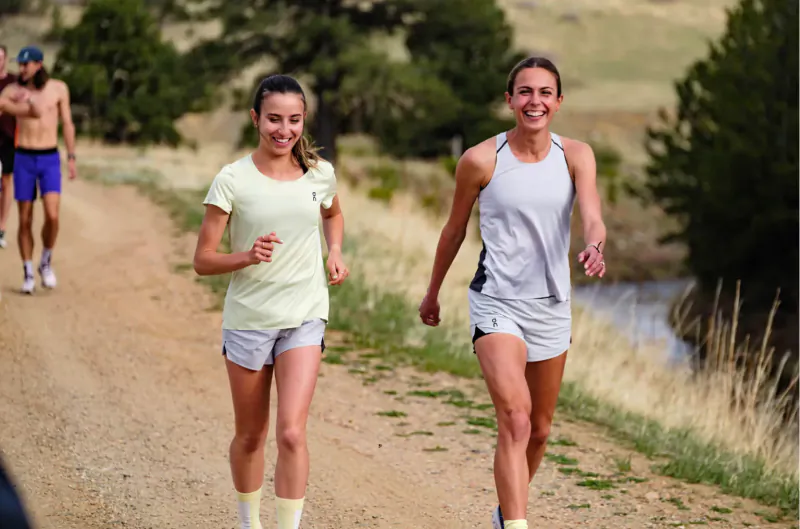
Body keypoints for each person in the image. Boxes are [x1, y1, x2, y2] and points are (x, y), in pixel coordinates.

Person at [418, 56, 607, 529]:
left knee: (540, 431)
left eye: (545, 93)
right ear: (510, 100)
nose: (534, 101)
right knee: (516, 419)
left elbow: (592, 216)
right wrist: (432, 292)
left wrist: (595, 245)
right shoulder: (481, 160)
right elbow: (454, 230)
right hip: (496, 301)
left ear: (558, 102)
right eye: (525, 92)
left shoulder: (576, 156)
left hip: (551, 305)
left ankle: (507, 513)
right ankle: (519, 526)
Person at [193, 74, 348, 529]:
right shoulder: (232, 180)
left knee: (292, 433)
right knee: (250, 435)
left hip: (305, 314)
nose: (284, 130)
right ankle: (249, 523)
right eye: (274, 119)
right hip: (249, 320)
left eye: (295, 120)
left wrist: (334, 251)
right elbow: (202, 260)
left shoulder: (320, 174)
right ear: (255, 118)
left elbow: (333, 214)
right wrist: (247, 255)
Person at [0, 45, 77, 294]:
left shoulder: (58, 88)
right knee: (25, 218)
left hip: (49, 157)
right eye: (19, 64)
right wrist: (24, 105)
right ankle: (28, 271)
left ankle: (45, 260)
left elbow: (66, 122)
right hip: (24, 156)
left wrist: (72, 156)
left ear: (39, 64)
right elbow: (17, 109)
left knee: (53, 216)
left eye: (26, 64)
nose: (21, 69)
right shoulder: (12, 90)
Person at [0, 44, 19, 249]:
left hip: (8, 139)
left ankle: (2, 227)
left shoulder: (13, 82)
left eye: (0, 58)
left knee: (6, 181)